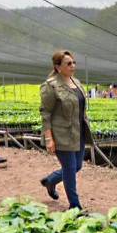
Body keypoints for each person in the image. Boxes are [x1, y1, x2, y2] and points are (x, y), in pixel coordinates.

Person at [39, 50, 93, 211]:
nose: (73, 66)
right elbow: (45, 113)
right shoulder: (50, 86)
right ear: (57, 67)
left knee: (77, 166)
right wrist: (49, 138)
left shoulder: (76, 82)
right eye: (68, 64)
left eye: (73, 62)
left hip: (79, 131)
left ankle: (51, 180)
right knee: (70, 169)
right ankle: (75, 206)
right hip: (62, 134)